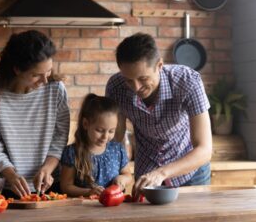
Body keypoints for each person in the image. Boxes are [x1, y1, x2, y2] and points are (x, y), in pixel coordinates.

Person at [105, 32, 212, 199]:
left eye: (143, 78)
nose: (136, 87)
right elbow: (115, 139)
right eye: (128, 80)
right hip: (146, 173)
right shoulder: (116, 87)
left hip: (190, 171)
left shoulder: (188, 81)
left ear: (159, 65)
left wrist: (162, 173)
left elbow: (204, 149)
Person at [0, 30, 70, 199]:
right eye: (36, 75)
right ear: (17, 69)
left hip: (52, 185)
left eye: (48, 72)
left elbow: (60, 137)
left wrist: (47, 169)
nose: (45, 81)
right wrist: (11, 176)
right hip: (10, 189)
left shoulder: (56, 90)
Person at [60, 93, 132, 197]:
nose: (105, 136)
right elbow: (66, 186)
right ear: (85, 124)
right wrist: (88, 192)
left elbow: (128, 175)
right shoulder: (72, 152)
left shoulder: (117, 149)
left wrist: (122, 179)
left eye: (111, 131)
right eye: (100, 130)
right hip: (83, 208)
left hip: (113, 208)